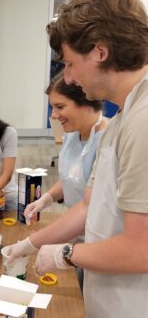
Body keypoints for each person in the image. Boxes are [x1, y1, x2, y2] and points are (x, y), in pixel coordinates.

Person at [4, 0, 148, 318]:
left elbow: (142, 249)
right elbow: (88, 206)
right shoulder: (123, 120)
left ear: (100, 51)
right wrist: (30, 244)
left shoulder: (142, 122)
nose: (68, 77)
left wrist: (67, 254)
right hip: (109, 307)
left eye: (69, 63)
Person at [25, 70, 108, 218]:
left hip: (98, 229)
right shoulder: (72, 134)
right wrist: (47, 198)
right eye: (53, 108)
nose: (53, 115)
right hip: (73, 223)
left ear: (85, 102)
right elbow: (70, 178)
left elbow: (97, 206)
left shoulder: (108, 141)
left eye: (60, 107)